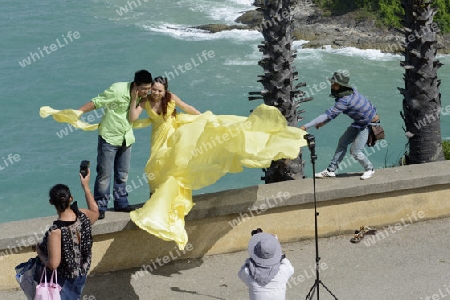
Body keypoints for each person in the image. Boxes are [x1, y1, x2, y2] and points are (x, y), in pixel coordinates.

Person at [128, 76, 307, 250]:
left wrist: (204, 118)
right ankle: (156, 199)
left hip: (175, 135)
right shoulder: (146, 101)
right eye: (154, 89)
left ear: (165, 90)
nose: (157, 92)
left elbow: (186, 107)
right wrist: (135, 98)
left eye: (160, 90)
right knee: (155, 167)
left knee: (175, 167)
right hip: (158, 137)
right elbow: (133, 118)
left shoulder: (170, 98)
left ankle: (166, 203)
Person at [78, 70, 153, 219]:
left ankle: (121, 203)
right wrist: (77, 112)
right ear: (136, 85)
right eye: (144, 88)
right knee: (104, 175)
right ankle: (100, 207)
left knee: (123, 174)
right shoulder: (118, 89)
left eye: (148, 88)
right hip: (109, 137)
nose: (147, 92)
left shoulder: (143, 98)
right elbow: (97, 102)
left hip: (126, 139)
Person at [300, 71, 379, 180]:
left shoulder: (344, 100)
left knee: (355, 152)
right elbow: (334, 114)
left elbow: (326, 115)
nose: (332, 85)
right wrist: (324, 123)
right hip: (359, 123)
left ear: (341, 86)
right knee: (342, 142)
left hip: (368, 124)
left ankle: (370, 169)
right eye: (332, 82)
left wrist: (306, 126)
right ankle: (331, 170)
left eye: (335, 84)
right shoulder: (351, 90)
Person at [36, 168, 99, 300]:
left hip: (65, 280)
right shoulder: (83, 215)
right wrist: (85, 186)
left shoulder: (56, 231)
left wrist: (41, 254)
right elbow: (96, 212)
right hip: (82, 272)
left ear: (51, 202)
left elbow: (53, 264)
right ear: (71, 198)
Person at [238, 230, 294, 300]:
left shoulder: (247, 272)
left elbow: (241, 271)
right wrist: (275, 243)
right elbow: (284, 260)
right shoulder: (283, 271)